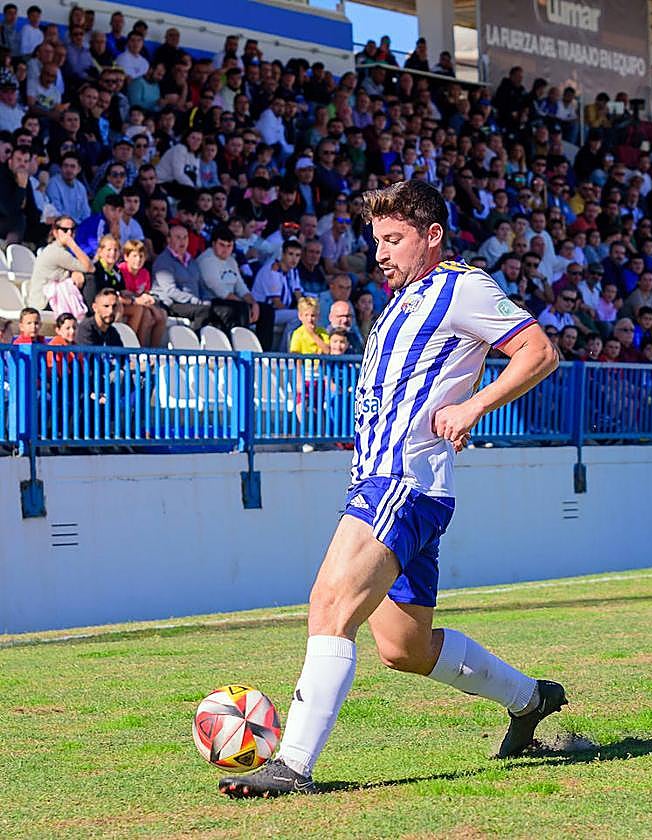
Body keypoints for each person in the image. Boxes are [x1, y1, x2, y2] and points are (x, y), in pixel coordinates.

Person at [218, 179, 566, 798]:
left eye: (394, 238)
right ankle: (529, 700)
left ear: (432, 236)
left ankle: (291, 764)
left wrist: (473, 407)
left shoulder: (463, 287)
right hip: (396, 484)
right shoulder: (405, 300)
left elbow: (538, 352)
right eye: (376, 239)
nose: (380, 252)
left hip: (400, 484)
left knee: (329, 604)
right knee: (403, 648)